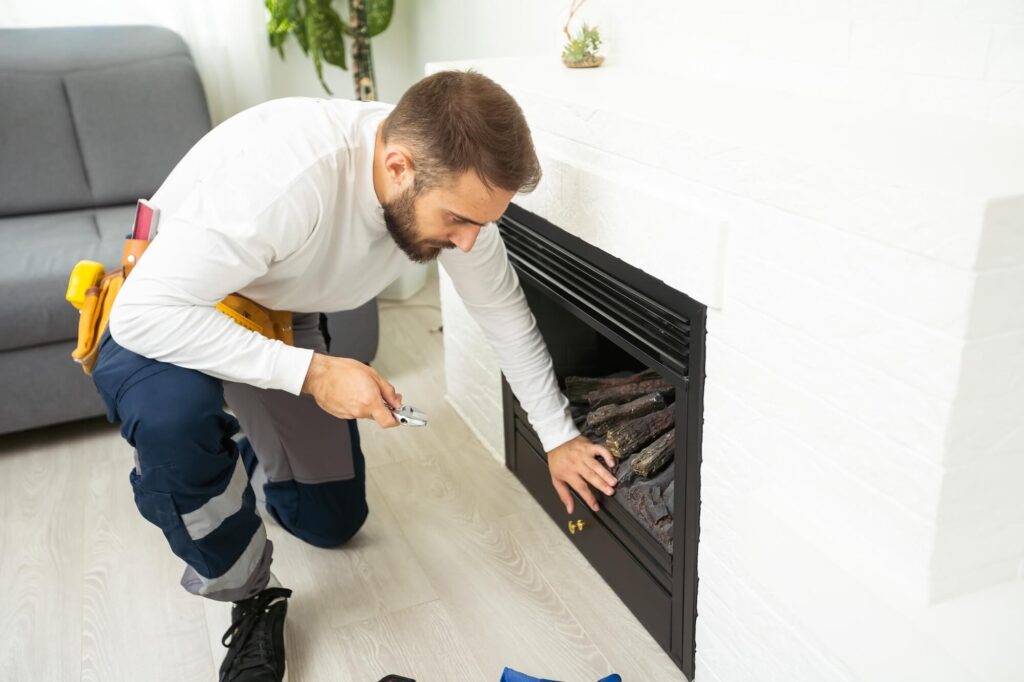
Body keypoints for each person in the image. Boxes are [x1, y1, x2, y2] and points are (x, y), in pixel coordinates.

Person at [91, 70, 618, 682]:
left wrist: (558, 436)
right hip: (166, 307)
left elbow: (504, 315)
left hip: (275, 309)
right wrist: (313, 375)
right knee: (176, 426)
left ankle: (239, 442)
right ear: (397, 166)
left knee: (332, 522)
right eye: (458, 221)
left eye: (482, 222)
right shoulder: (287, 179)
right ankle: (248, 596)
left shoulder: (452, 189)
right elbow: (143, 315)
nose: (469, 243)